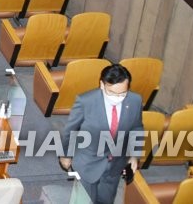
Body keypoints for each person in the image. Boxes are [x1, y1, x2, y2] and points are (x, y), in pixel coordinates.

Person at [60, 64, 145, 204]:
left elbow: (137, 128)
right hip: (87, 163)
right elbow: (71, 129)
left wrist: (135, 156)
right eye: (111, 92)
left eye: (122, 93)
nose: (117, 97)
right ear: (102, 85)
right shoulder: (85, 101)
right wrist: (65, 155)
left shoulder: (135, 101)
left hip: (115, 165)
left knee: (106, 200)